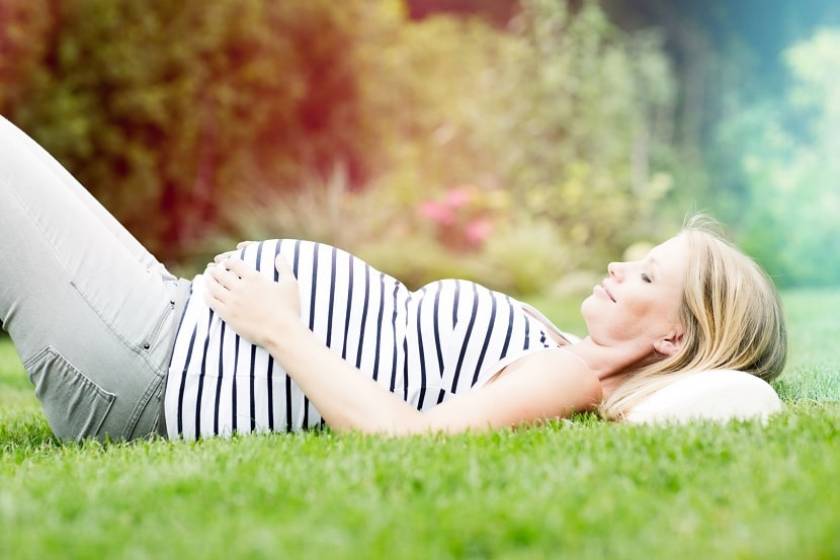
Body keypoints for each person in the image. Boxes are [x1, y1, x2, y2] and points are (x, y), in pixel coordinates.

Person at [0, 115, 787, 442]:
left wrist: (281, 327)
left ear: (674, 336)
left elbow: (406, 439)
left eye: (647, 274)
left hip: (150, 366)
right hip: (159, 326)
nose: (621, 265)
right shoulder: (559, 349)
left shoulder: (567, 375)